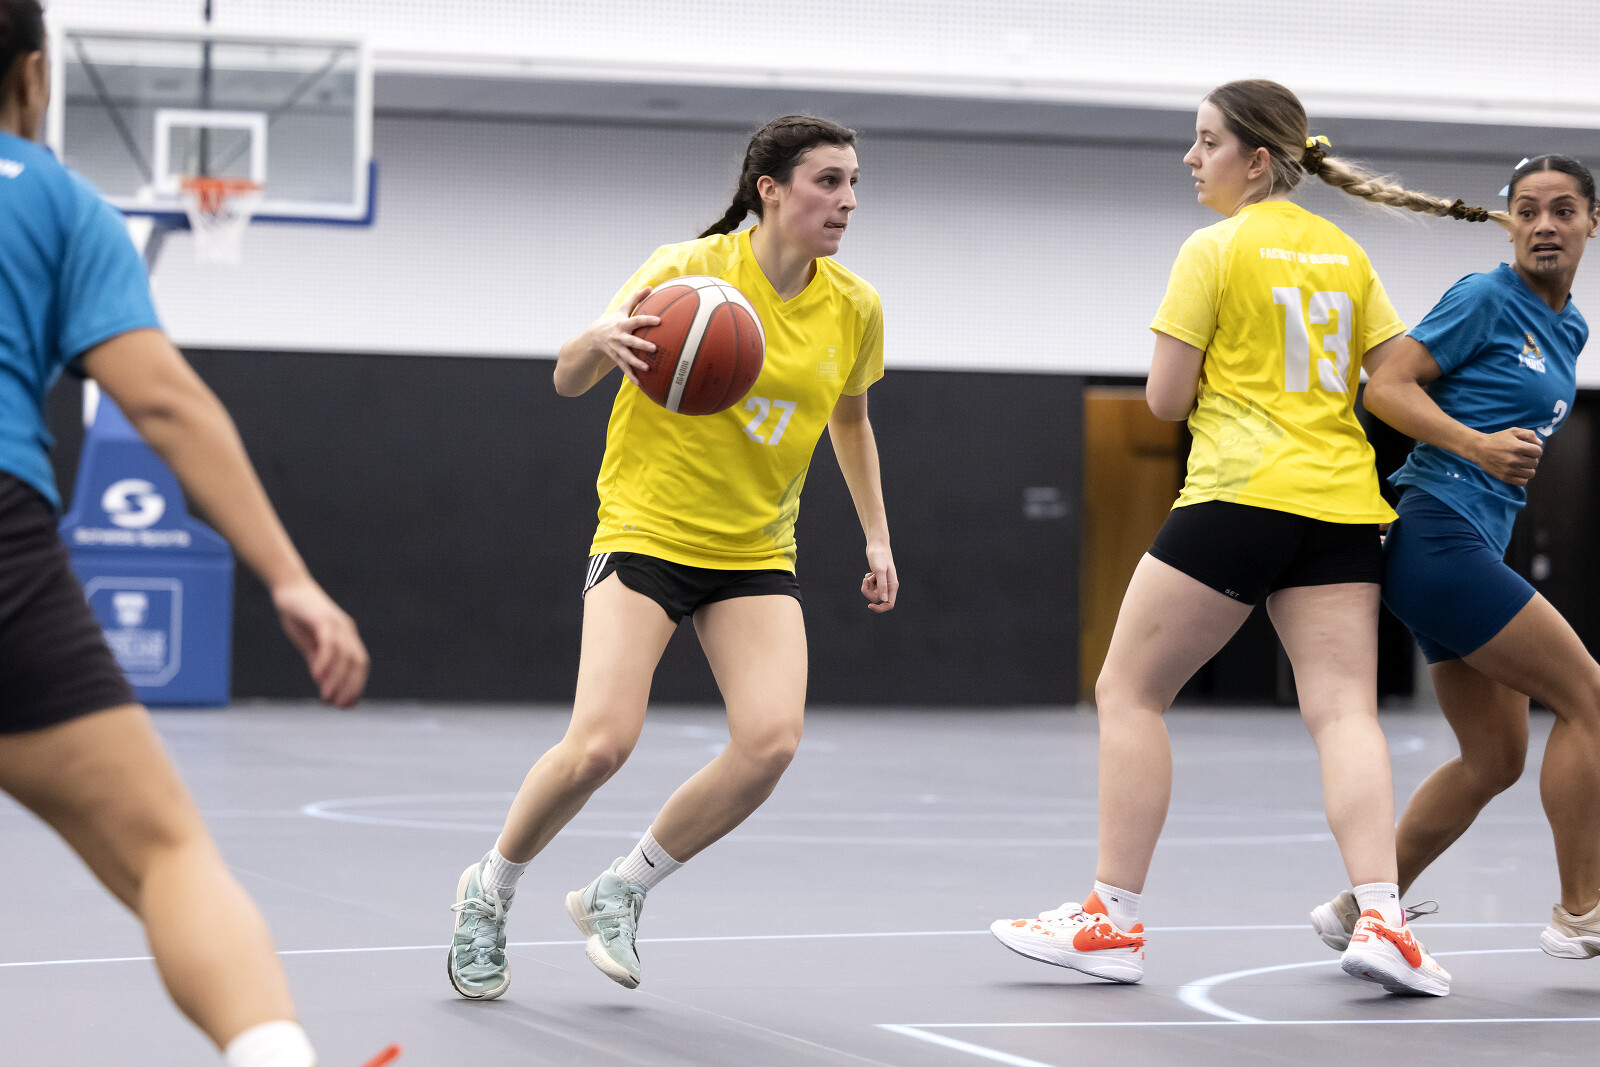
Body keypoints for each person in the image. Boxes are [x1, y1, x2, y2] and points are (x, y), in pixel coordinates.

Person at [989, 79, 1501, 996]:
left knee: (1128, 691)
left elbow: (1164, 400)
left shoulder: (1214, 249)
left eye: (1207, 141)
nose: (1192, 158)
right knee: (1345, 712)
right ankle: (1383, 917)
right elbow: (1391, 372)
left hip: (1240, 496)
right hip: (1341, 509)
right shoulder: (1346, 253)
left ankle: (1112, 918)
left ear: (1257, 160)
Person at [446, 114, 896, 999]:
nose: (847, 200)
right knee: (600, 744)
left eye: (854, 183)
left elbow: (852, 421)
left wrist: (876, 533)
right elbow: (567, 378)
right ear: (771, 190)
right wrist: (594, 343)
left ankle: (621, 887)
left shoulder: (855, 306)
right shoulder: (685, 273)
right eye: (828, 181)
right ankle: (488, 890)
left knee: (770, 743)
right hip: (647, 531)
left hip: (754, 548)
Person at [0, 4, 371, 1066]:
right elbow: (163, 401)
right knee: (167, 851)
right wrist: (290, 577)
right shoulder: (56, 203)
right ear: (34, 75)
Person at [1311, 154, 1600, 962]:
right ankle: (1582, 911)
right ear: (1508, 223)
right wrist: (1476, 444)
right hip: (1438, 537)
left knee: (1494, 756)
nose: (1544, 225)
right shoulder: (1484, 298)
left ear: (1592, 222)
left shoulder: (1571, 326)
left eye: (1564, 210)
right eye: (1528, 210)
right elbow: (1385, 386)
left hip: (1465, 546)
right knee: (1589, 696)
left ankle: (1360, 907)